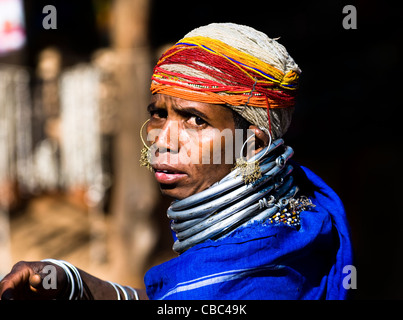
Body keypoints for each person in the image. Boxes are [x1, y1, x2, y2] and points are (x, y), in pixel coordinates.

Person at [0, 23, 353, 300]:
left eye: (196, 120)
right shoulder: (302, 211)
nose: (164, 141)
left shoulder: (257, 279)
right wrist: (78, 285)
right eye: (158, 114)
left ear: (250, 144)